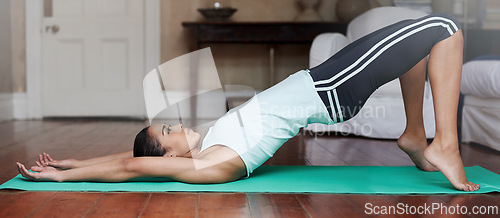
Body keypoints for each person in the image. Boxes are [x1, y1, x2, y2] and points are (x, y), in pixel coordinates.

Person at [17, 13, 480, 191]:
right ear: (171, 157)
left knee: (419, 45)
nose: (175, 125)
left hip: (324, 84)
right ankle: (447, 145)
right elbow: (133, 168)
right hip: (331, 87)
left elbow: (129, 158)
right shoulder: (208, 166)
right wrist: (60, 180)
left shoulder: (203, 147)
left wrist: (73, 162)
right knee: (446, 28)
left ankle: (417, 137)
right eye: (168, 133)